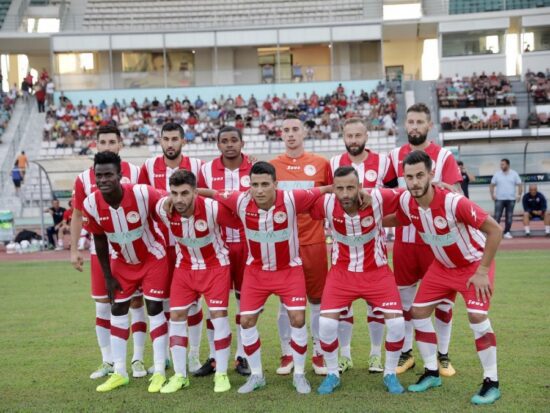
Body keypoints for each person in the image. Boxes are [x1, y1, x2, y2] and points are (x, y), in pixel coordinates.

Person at [200, 161, 332, 394]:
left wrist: (357, 191)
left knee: (297, 319)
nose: (259, 190)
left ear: (275, 184)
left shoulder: (292, 199)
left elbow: (325, 189)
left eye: (264, 184)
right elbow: (211, 193)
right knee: (246, 321)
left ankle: (299, 375)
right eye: (255, 185)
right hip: (256, 272)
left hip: (288, 270)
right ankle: (257, 375)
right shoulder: (240, 200)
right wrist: (176, 197)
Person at [385, 151, 503, 405]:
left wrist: (483, 271)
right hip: (442, 267)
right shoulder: (407, 201)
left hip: (473, 265)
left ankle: (491, 382)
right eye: (409, 177)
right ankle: (431, 372)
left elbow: (495, 230)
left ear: (431, 174)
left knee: (477, 317)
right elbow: (398, 218)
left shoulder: (454, 203)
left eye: (420, 175)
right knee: (418, 313)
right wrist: (369, 222)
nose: (415, 182)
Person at [310, 166, 406, 395]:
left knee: (397, 324)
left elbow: (410, 192)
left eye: (350, 188)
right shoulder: (326, 203)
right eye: (339, 188)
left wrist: (438, 186)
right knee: (326, 324)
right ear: (333, 188)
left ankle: (390, 373)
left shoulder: (378, 198)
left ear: (360, 187)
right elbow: (297, 199)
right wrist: (324, 189)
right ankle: (332, 373)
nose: (345, 194)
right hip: (341, 273)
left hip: (377, 272)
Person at [82, 152, 170, 393]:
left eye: (108, 174)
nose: (103, 180)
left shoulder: (142, 193)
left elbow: (165, 204)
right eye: (99, 175)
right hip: (122, 262)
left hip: (153, 258)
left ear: (120, 175)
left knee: (154, 308)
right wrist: (107, 276)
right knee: (117, 310)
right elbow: (100, 240)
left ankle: (159, 371)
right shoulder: (91, 204)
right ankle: (120, 372)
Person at [387, 103, 462, 377]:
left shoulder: (444, 156)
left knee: (443, 303)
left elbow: (458, 194)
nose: (415, 126)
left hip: (437, 245)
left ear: (429, 125)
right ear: (405, 125)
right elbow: (385, 195)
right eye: (411, 122)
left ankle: (443, 355)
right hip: (405, 243)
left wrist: (446, 189)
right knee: (405, 303)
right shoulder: (393, 157)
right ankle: (406, 353)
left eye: (420, 122)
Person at [70, 125, 148, 380]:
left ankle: (137, 359)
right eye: (102, 142)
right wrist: (74, 249)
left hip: (131, 250)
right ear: (96, 145)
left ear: (120, 144)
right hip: (100, 250)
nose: (107, 146)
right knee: (103, 306)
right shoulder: (83, 179)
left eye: (112, 142)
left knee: (136, 303)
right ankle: (108, 361)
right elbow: (78, 215)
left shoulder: (136, 172)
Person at [155, 170, 234, 393]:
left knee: (218, 316)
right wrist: (167, 199)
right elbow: (153, 199)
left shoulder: (212, 208)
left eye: (185, 193)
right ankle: (180, 375)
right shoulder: (163, 208)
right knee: (176, 316)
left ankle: (221, 373)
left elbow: (238, 212)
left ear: (195, 192)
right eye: (174, 193)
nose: (179, 199)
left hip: (215, 267)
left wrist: (211, 193)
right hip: (185, 267)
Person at [328, 117, 397, 374]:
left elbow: (395, 198)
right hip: (343, 246)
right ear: (343, 137)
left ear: (366, 136)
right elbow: (328, 196)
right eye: (349, 136)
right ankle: (345, 356)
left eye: (358, 135)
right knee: (342, 305)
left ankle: (375, 355)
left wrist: (378, 218)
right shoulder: (334, 163)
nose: (354, 140)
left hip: (373, 244)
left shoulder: (383, 162)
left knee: (375, 305)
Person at [138, 122, 205, 375]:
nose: (170, 143)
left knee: (194, 304)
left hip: (190, 246)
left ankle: (194, 356)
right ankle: (164, 356)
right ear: (160, 141)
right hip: (160, 247)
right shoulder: (148, 166)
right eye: (166, 139)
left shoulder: (197, 166)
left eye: (175, 139)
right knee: (164, 303)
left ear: (183, 141)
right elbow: (142, 200)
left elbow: (205, 199)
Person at [270, 114, 331, 376]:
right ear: (281, 134)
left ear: (304, 132)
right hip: (284, 244)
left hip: (313, 242)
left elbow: (331, 197)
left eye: (296, 129)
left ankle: (319, 351)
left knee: (317, 300)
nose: (291, 134)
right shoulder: (272, 166)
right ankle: (287, 352)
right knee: (285, 303)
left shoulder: (321, 164)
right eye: (286, 130)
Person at [197, 125, 253, 376]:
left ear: (242, 143)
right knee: (214, 304)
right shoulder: (206, 170)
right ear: (218, 144)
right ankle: (213, 356)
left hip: (247, 244)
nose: (229, 144)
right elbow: (198, 201)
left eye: (234, 140)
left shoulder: (254, 168)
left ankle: (242, 355)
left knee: (244, 302)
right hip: (216, 245)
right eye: (224, 141)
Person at [489, 158, 522, 239]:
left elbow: (520, 184)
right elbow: (492, 184)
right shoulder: (497, 174)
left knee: (509, 217)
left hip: (511, 199)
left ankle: (507, 232)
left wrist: (519, 195)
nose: (501, 166)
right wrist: (492, 194)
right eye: (501, 164)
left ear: (508, 165)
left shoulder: (514, 174)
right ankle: (495, 232)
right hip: (499, 199)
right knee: (497, 216)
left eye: (503, 164)